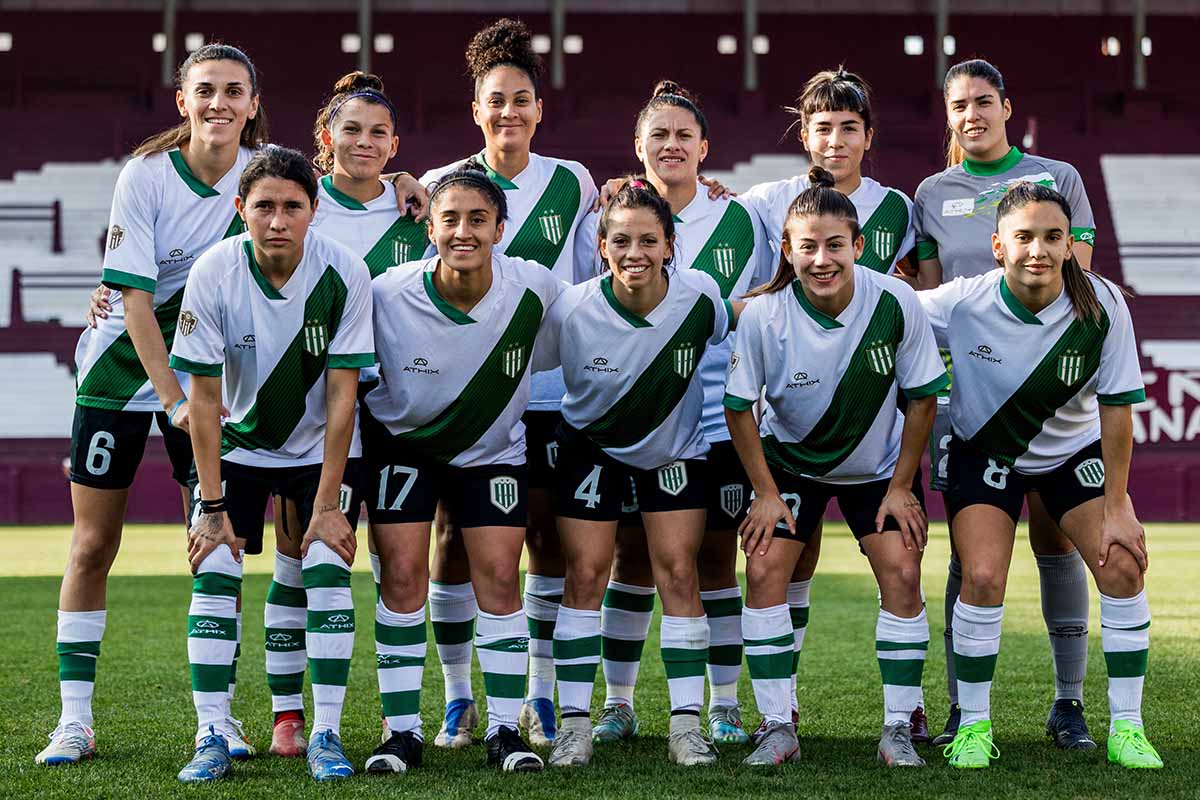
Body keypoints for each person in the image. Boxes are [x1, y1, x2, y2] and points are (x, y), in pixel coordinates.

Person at [36, 43, 267, 768]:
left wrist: (407, 178)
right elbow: (134, 300)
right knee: (93, 544)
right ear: (183, 101)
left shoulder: (268, 173)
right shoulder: (144, 176)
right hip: (120, 372)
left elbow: (350, 180)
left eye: (234, 91)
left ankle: (219, 719)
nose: (219, 104)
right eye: (206, 91)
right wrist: (170, 401)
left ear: (253, 104)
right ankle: (74, 721)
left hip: (204, 381)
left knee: (214, 541)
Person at [919, 181, 1161, 770]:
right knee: (979, 576)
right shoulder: (961, 301)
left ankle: (1127, 727)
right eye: (1024, 237)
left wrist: (1119, 503)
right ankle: (973, 724)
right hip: (987, 453)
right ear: (998, 245)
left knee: (1123, 566)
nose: (1039, 250)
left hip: (1071, 456)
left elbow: (1118, 410)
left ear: (1069, 243)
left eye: (1053, 237)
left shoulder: (1102, 305)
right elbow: (879, 311)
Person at [725, 166, 947, 767]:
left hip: (876, 471)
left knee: (902, 571)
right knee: (766, 567)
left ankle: (899, 725)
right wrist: (765, 494)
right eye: (807, 247)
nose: (821, 260)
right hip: (790, 467)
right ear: (786, 250)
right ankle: (777, 724)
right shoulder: (765, 315)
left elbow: (923, 395)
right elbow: (740, 408)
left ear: (859, 246)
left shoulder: (896, 301)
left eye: (834, 246)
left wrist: (903, 486)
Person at [418, 18, 599, 748]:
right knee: (454, 539)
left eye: (521, 100)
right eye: (496, 101)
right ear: (477, 111)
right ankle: (459, 697)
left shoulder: (574, 181)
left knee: (545, 540)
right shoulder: (437, 186)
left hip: (549, 394)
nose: (509, 113)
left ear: (538, 109)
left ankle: (541, 694)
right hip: (467, 400)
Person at [169, 147, 374, 782]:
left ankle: (327, 734)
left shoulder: (344, 271)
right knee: (215, 570)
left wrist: (328, 504)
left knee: (322, 567)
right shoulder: (213, 273)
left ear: (315, 212)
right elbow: (202, 400)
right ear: (241, 210)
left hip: (322, 452)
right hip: (241, 447)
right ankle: (210, 733)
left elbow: (344, 396)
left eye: (292, 206)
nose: (278, 220)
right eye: (264, 207)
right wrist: (210, 507)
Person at [912, 58, 1100, 749]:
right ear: (949, 114)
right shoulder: (931, 192)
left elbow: (1076, 274)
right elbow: (930, 299)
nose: (972, 115)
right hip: (970, 395)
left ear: (1006, 107)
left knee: (1057, 541)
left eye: (984, 101)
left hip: (1048, 385)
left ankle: (1068, 705)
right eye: (959, 105)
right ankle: (966, 711)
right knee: (972, 556)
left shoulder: (1061, 178)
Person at [362, 161, 565, 773]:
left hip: (492, 451)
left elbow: (601, 313)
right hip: (404, 446)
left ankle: (506, 732)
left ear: (501, 228)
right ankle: (401, 734)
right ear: (431, 228)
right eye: (450, 219)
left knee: (501, 579)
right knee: (401, 579)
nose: (464, 232)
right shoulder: (387, 292)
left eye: (479, 219)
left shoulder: (536, 288)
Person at [591, 80, 773, 748]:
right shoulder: (604, 213)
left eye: (683, 135)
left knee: (717, 560)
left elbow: (760, 300)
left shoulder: (741, 219)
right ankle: (618, 703)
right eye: (658, 136)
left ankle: (723, 702)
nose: (671, 146)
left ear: (705, 147)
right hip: (637, 417)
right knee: (631, 559)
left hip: (718, 414)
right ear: (638, 147)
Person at [254, 70, 429, 760]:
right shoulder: (298, 204)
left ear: (395, 145)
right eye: (351, 129)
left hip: (399, 411)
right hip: (308, 413)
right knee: (298, 557)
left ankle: (405, 718)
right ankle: (289, 716)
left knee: (399, 563)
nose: (364, 141)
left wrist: (416, 183)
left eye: (379, 132)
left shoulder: (421, 209)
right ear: (325, 138)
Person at [538, 177, 740, 767]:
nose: (635, 253)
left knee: (679, 573)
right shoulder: (571, 309)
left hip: (672, 455)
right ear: (601, 246)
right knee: (585, 575)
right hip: (589, 451)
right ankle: (574, 725)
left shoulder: (700, 298)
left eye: (648, 240)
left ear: (670, 244)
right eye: (621, 240)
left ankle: (686, 726)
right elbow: (522, 358)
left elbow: (749, 315)